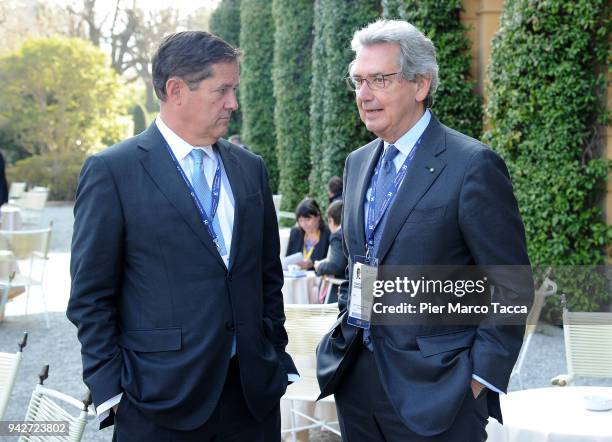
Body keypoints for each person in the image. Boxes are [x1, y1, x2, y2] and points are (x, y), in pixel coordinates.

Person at [67, 31, 297, 442]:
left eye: (234, 89)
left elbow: (267, 276)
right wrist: (112, 390)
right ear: (176, 90)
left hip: (252, 398)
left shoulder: (250, 168)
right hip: (158, 400)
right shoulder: (113, 171)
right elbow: (90, 296)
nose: (234, 103)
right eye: (221, 90)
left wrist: (275, 355)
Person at [316, 20, 533, 441]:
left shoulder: (471, 165)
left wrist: (476, 381)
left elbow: (511, 284)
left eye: (380, 79)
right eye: (359, 80)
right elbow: (359, 265)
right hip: (357, 381)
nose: (364, 94)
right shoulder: (358, 163)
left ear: (420, 84)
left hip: (439, 392)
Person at [314, 200, 347, 303]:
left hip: (339, 290)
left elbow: (336, 266)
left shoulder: (337, 235)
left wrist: (319, 266)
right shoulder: (351, 232)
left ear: (331, 220)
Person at [285, 197, 330, 270]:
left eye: (307, 219)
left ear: (318, 216)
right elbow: (288, 259)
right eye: (300, 220)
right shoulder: (296, 233)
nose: (304, 224)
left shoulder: (328, 233)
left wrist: (312, 264)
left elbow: (330, 262)